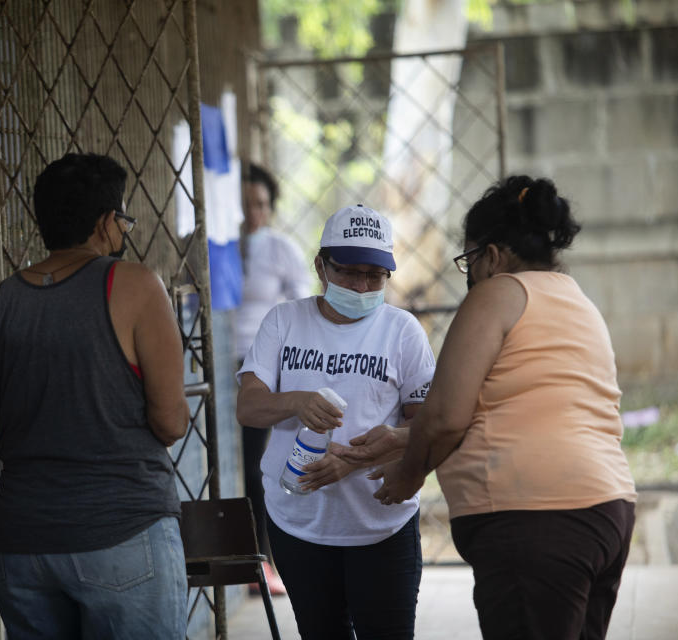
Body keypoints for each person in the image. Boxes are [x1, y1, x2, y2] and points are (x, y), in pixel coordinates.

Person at [355, 175, 637, 640]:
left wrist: (409, 472)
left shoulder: (497, 293)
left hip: (534, 518)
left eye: (468, 260)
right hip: (605, 510)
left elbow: (446, 415)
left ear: (491, 254)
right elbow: (516, 406)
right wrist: (404, 437)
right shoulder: (576, 301)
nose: (470, 276)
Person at [0, 153, 190, 639]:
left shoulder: (0, 303)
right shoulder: (135, 287)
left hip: (22, 545)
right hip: (123, 532)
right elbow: (170, 423)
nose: (123, 233)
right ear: (106, 222)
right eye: (122, 220)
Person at [236, 203, 436, 639]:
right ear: (321, 267)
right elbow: (248, 406)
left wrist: (354, 462)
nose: (362, 286)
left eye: (375, 276)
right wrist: (296, 402)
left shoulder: (402, 331)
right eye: (348, 272)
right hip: (297, 523)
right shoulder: (285, 321)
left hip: (380, 523)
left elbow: (427, 427)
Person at [236, 163, 311, 594]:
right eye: (245, 204)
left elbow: (302, 307)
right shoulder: (215, 248)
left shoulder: (281, 249)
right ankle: (241, 558)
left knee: (257, 464)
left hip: (261, 367)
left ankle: (264, 562)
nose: (253, 213)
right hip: (215, 360)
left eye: (261, 204)